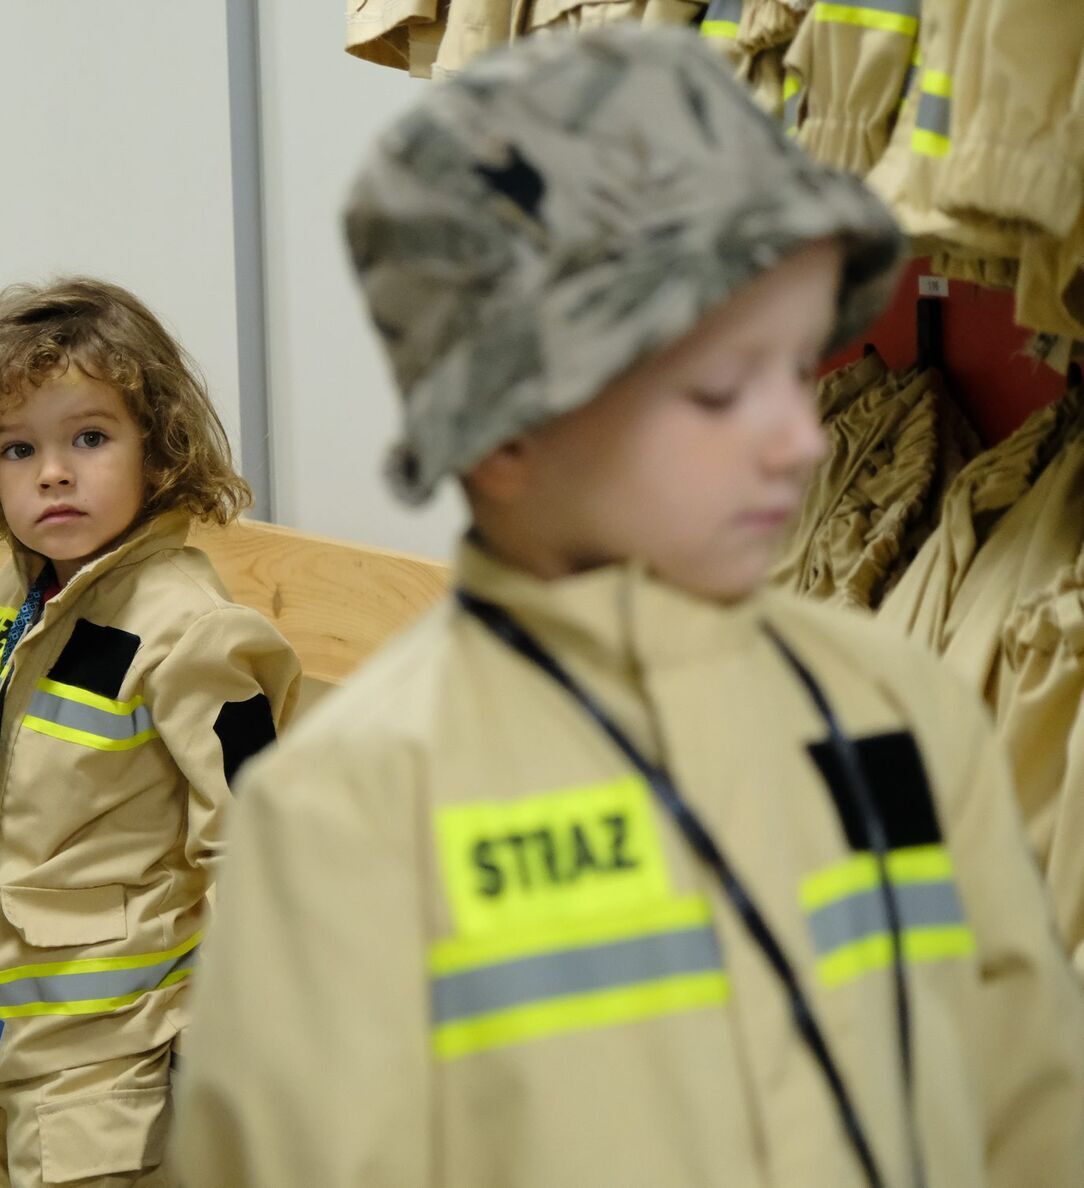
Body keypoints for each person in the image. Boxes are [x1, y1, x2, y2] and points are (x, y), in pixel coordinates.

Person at [173, 27, 1084, 1187]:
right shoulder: (361, 808)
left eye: (796, 364)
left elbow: (1029, 1104)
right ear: (502, 429)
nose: (800, 437)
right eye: (717, 390)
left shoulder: (899, 708)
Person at [0, 277, 301, 1185]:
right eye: (18, 449)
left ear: (157, 452)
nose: (53, 471)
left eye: (89, 438)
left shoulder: (186, 626)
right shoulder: (23, 591)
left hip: (100, 1054)